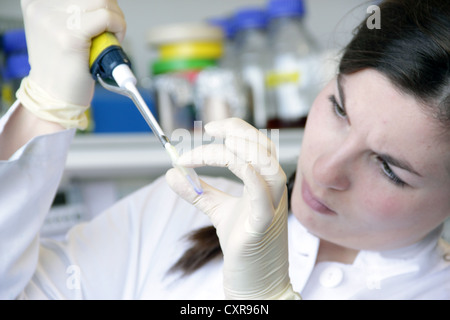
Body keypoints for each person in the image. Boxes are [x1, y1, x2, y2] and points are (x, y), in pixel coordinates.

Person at [0, 0, 449, 300]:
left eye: (390, 169)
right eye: (338, 109)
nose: (326, 168)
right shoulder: (177, 212)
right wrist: (46, 105)